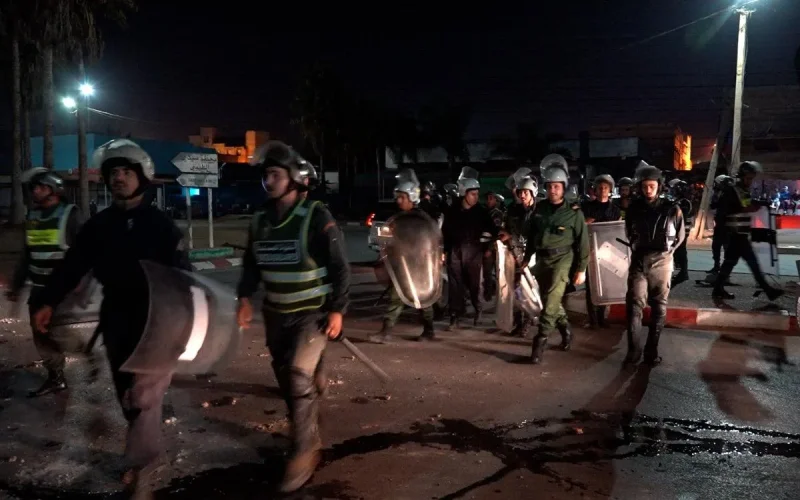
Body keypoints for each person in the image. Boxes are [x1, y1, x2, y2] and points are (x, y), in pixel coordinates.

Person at [31, 139, 189, 499]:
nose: (118, 178)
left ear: (141, 177)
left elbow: (183, 276)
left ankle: (143, 469)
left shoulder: (160, 225)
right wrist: (47, 301)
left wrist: (187, 320)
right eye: (113, 172)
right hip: (117, 318)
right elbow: (73, 265)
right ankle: (143, 449)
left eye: (126, 172)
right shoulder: (100, 225)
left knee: (144, 395)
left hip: (157, 320)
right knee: (126, 396)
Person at [236, 141, 350, 493]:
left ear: (295, 179)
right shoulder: (260, 221)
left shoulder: (316, 215)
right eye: (266, 175)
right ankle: (311, 392)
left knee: (298, 376)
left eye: (275, 174)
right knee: (286, 376)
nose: (268, 181)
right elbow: (251, 264)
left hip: (311, 315)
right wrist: (244, 297)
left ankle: (305, 447)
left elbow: (339, 267)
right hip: (275, 315)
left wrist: (337, 310)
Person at [6, 168, 82, 397]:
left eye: (40, 187)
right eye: (33, 188)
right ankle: (56, 377)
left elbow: (84, 253)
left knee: (67, 334)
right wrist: (17, 286)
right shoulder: (33, 217)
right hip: (39, 290)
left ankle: (96, 369)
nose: (35, 192)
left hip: (64, 291)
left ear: (53, 188)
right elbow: (28, 253)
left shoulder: (70, 214)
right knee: (42, 336)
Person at [522, 154, 589, 364]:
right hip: (542, 261)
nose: (553, 190)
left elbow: (583, 243)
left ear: (564, 187)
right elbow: (533, 237)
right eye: (550, 186)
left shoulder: (574, 213)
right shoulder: (539, 209)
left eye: (557, 187)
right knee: (548, 300)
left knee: (550, 302)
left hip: (563, 260)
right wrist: (526, 258)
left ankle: (539, 343)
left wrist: (581, 269)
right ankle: (566, 330)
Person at [623, 162, 684, 366]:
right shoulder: (633, 209)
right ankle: (633, 351)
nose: (648, 189)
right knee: (634, 306)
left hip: (662, 261)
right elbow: (628, 232)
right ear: (639, 187)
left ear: (659, 186)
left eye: (652, 185)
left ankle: (651, 352)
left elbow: (680, 236)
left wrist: (667, 255)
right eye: (644, 186)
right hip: (639, 261)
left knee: (659, 307)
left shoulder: (672, 209)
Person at [370, 170, 436, 343]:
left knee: (423, 299)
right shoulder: (397, 218)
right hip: (402, 265)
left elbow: (429, 241)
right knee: (396, 297)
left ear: (412, 197)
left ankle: (429, 330)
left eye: (402, 197)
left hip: (419, 266)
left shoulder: (421, 219)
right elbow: (386, 238)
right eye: (398, 197)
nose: (398, 200)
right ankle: (386, 331)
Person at [712, 161, 784, 301]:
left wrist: (759, 203)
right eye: (749, 178)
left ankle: (718, 290)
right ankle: (768, 291)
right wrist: (760, 205)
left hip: (738, 235)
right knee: (752, 264)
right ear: (742, 177)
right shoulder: (736, 190)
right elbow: (747, 207)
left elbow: (746, 204)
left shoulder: (740, 190)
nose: (751, 181)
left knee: (730, 263)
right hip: (736, 235)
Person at [441, 168, 497, 330]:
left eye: (477, 194)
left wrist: (499, 236)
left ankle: (478, 309)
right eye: (473, 194)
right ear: (464, 193)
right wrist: (444, 251)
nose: (476, 197)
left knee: (474, 284)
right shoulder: (452, 212)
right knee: (455, 285)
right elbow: (445, 232)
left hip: (474, 252)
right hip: (455, 253)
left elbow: (493, 229)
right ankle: (454, 316)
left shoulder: (481, 212)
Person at [580, 174, 621, 328]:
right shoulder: (587, 207)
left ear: (610, 190)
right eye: (600, 188)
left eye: (605, 188)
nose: (603, 190)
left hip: (608, 251)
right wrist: (586, 222)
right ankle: (592, 320)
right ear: (595, 190)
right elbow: (580, 225)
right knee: (591, 286)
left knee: (605, 284)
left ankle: (602, 318)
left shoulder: (615, 210)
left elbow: (617, 229)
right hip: (590, 249)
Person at [499, 176, 537, 337]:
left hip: (533, 256)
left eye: (526, 192)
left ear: (533, 193)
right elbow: (506, 229)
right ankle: (518, 322)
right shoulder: (513, 210)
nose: (522, 195)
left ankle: (528, 322)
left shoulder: (539, 211)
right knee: (516, 291)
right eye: (521, 192)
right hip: (514, 255)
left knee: (530, 290)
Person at [666, 178, 693, 286]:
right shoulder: (681, 201)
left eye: (672, 189)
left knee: (680, 249)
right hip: (679, 230)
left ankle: (683, 272)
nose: (670, 191)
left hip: (681, 231)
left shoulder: (684, 202)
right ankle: (681, 272)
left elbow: (679, 217)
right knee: (679, 250)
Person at [707, 174, 734, 276]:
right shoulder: (720, 193)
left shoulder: (730, 193)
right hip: (720, 224)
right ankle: (716, 266)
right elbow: (713, 205)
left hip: (727, 225)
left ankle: (725, 270)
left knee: (727, 248)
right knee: (716, 246)